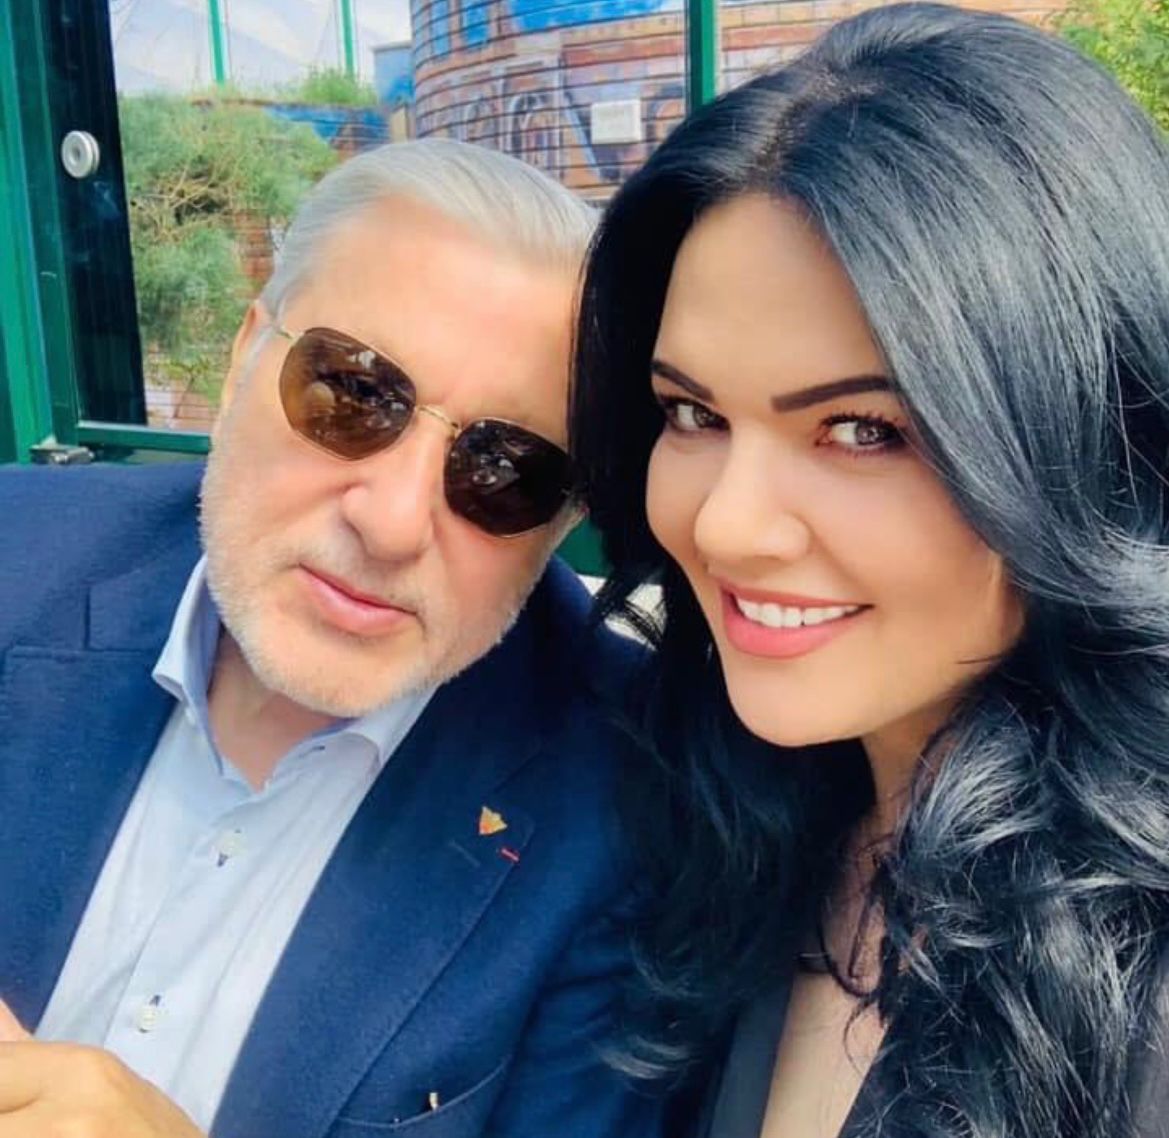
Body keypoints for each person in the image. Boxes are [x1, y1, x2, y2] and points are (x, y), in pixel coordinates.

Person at [570, 5, 1169, 1137]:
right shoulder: (734, 820)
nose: (729, 526)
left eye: (863, 431)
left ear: (1089, 444)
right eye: (691, 413)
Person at [0, 139, 660, 1138]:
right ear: (242, 359)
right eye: (353, 393)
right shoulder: (19, 554)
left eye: (506, 471)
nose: (391, 522)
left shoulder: (630, 810)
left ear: (562, 519)